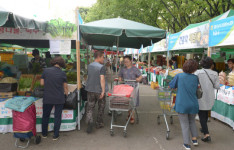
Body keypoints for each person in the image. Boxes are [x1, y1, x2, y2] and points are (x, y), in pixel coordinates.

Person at [169, 59, 199, 150]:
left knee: (184, 123)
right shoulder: (195, 78)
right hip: (193, 103)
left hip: (182, 103)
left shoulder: (179, 76)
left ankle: (187, 144)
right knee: (192, 121)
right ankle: (194, 140)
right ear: (194, 69)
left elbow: (172, 85)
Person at [40, 56, 68, 140]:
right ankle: (55, 135)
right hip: (59, 97)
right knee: (57, 116)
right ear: (61, 64)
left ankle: (44, 134)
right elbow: (65, 87)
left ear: (53, 62)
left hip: (47, 97)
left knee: (45, 116)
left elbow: (41, 83)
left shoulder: (46, 70)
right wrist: (66, 94)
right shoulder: (63, 73)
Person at [195, 57, 220, 142]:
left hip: (200, 95)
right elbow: (217, 86)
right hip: (210, 96)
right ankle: (203, 127)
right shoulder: (215, 73)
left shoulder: (197, 72)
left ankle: (206, 134)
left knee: (202, 114)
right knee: (205, 113)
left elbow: (194, 83)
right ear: (211, 65)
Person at [85, 51, 109, 134]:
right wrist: (103, 90)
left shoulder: (89, 66)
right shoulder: (101, 67)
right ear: (98, 57)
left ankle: (90, 121)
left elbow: (88, 76)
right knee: (101, 107)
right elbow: (102, 79)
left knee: (90, 106)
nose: (103, 59)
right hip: (99, 90)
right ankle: (99, 123)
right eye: (103, 57)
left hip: (90, 89)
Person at [118, 55, 142, 124]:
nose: (126, 63)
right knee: (128, 102)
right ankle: (129, 114)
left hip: (134, 87)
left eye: (127, 62)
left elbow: (140, 76)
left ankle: (132, 116)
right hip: (126, 87)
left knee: (133, 102)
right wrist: (120, 79)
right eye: (124, 62)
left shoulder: (135, 69)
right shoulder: (122, 69)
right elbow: (120, 76)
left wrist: (138, 79)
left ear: (131, 61)